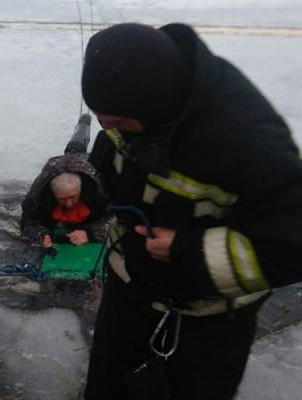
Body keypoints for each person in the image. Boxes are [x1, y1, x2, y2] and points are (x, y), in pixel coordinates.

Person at [81, 22, 302, 399]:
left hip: (208, 324)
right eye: (100, 118)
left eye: (115, 123)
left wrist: (187, 250)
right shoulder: (129, 97)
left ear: (151, 108)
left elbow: (291, 246)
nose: (107, 128)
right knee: (106, 390)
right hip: (128, 293)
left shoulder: (250, 144)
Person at [20, 153, 108, 248]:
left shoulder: (97, 189)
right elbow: (27, 221)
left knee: (76, 149)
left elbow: (117, 220)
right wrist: (40, 235)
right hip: (55, 165)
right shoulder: (39, 194)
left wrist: (90, 233)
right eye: (62, 199)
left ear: (81, 189)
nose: (69, 204)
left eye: (73, 197)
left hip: (83, 161)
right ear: (53, 194)